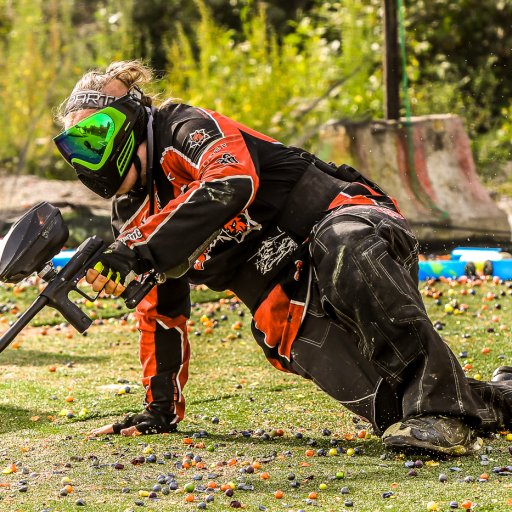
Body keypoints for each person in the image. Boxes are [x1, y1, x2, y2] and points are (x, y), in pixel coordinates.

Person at [54, 60, 512, 456]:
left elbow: (231, 182)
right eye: (74, 146)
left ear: (129, 117)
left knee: (343, 247)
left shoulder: (183, 127)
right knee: (392, 409)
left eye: (93, 137)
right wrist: (158, 411)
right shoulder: (130, 219)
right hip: (286, 301)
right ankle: (498, 399)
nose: (85, 157)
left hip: (344, 224)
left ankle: (440, 412)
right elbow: (161, 313)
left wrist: (140, 251)